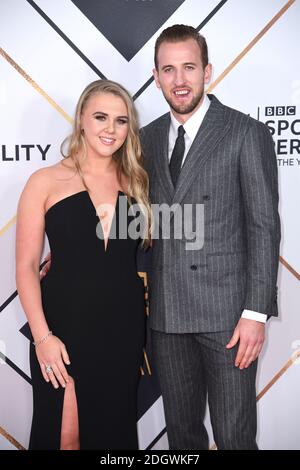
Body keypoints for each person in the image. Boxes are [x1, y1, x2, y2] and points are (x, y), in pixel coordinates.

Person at [140, 25, 280, 450]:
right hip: (166, 318)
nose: (179, 80)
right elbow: (133, 216)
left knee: (235, 437)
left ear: (207, 71)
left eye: (188, 68)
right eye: (168, 69)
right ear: (156, 75)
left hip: (228, 319)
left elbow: (263, 226)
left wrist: (256, 313)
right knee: (182, 438)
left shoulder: (244, 132)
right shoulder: (143, 139)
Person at [16, 79, 151, 450]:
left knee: (113, 437)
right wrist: (43, 338)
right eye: (101, 117)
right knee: (65, 436)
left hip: (122, 332)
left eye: (121, 121)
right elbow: (27, 266)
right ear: (81, 120)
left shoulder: (137, 183)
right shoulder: (44, 181)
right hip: (62, 329)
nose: (111, 129)